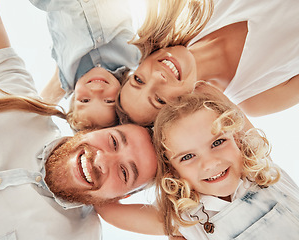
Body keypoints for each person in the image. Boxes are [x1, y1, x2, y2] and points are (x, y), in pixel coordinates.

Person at [0, 1, 157, 239]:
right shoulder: (15, 101)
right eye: (112, 141)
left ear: (121, 199)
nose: (101, 160)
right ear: (92, 130)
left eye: (124, 173)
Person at [96, 91, 299, 239]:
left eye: (218, 142)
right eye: (187, 157)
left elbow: (210, 88)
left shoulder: (264, 172)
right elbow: (108, 211)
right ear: (173, 171)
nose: (210, 163)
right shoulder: (185, 219)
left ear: (237, 138)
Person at [117, 0, 299, 126]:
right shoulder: (256, 98)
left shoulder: (199, 7)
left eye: (139, 80)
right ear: (179, 110)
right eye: (159, 99)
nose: (158, 76)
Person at [29, 0, 140, 131]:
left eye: (85, 100)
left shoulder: (67, 77)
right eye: (109, 101)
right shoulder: (133, 58)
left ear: (73, 101)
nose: (96, 90)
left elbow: (34, 115)